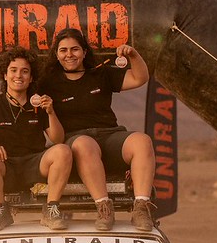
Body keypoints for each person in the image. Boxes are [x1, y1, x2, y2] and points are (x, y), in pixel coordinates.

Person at [39, 28, 156, 232]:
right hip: (77, 142)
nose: (69, 54)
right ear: (56, 54)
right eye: (63, 50)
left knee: (142, 141)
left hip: (110, 135)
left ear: (84, 52)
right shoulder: (47, 82)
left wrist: (133, 55)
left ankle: (141, 207)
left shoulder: (101, 73)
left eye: (75, 49)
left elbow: (140, 78)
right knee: (85, 144)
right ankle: (103, 207)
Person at [0, 45, 72, 231]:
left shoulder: (40, 104)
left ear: (31, 77)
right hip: (6, 166)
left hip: (35, 165)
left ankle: (51, 209)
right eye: (13, 70)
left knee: (63, 151)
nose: (19, 75)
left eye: (25, 71)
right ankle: (0, 209)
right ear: (5, 75)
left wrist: (50, 112)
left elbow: (58, 139)